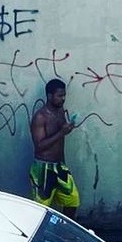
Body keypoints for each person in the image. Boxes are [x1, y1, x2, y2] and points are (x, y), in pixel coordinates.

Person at [30, 79, 81, 217]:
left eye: (64, 95)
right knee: (41, 208)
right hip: (43, 168)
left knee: (72, 200)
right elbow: (39, 146)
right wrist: (61, 132)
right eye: (59, 96)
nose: (63, 99)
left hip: (59, 166)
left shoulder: (60, 111)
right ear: (49, 95)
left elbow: (60, 140)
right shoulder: (40, 117)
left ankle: (64, 231)